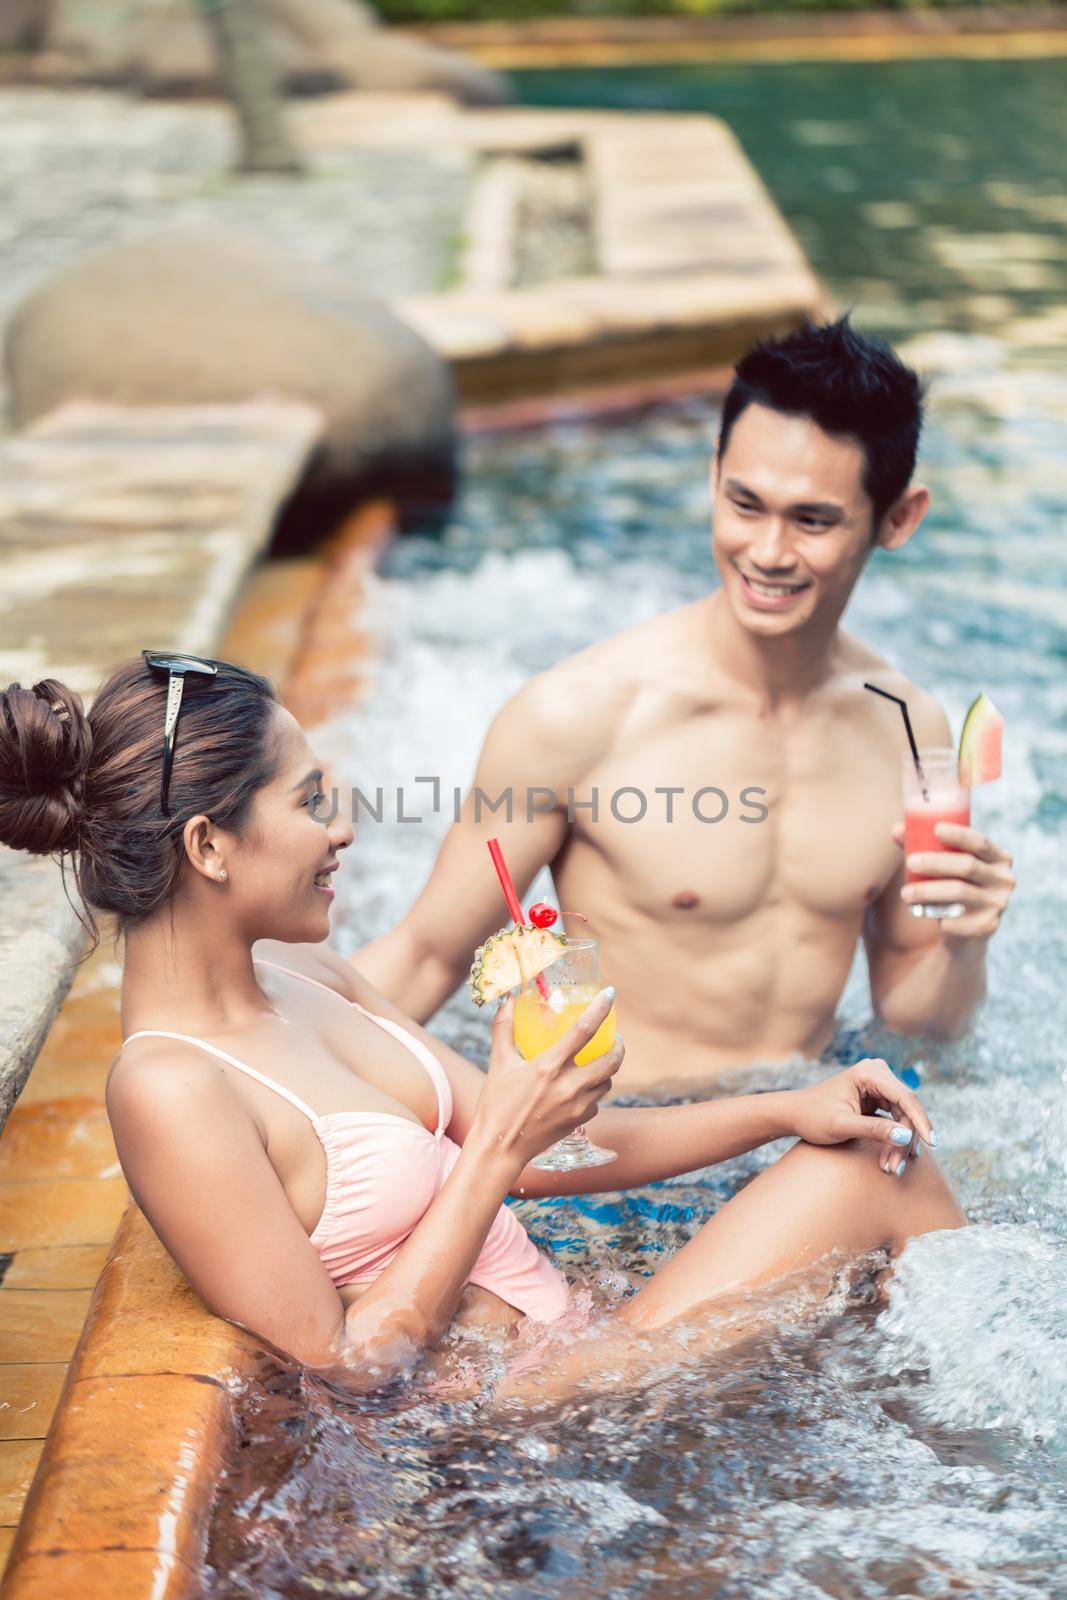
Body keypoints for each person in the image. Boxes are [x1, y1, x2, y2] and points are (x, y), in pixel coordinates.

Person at [0, 656, 965, 1387]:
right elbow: (344, 1363)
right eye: (311, 801)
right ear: (209, 845)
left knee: (869, 1149)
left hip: (575, 1339)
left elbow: (560, 1155)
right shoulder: (168, 1087)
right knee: (884, 1179)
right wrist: (500, 1139)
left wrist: (789, 1108)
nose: (343, 829)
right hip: (522, 1413)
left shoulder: (304, 974)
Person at [355, 318, 1016, 1095]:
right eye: (745, 504)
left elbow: (913, 1020)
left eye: (811, 520)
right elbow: (425, 956)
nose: (766, 552)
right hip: (623, 1167)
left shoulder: (909, 730)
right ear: (712, 478)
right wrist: (256, 1056)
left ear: (897, 519)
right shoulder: (579, 716)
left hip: (795, 1131)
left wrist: (966, 946)